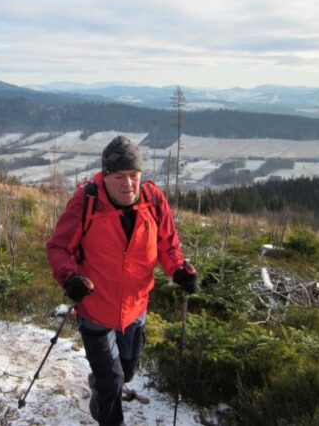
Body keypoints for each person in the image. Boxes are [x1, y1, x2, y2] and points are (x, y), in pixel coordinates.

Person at [46, 136, 197, 426]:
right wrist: (69, 278)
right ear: (105, 175)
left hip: (136, 309)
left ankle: (100, 381)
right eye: (119, 177)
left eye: (133, 176)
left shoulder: (153, 200)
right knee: (113, 381)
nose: (128, 184)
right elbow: (58, 248)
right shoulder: (86, 201)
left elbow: (168, 245)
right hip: (95, 310)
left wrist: (178, 269)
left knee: (126, 371)